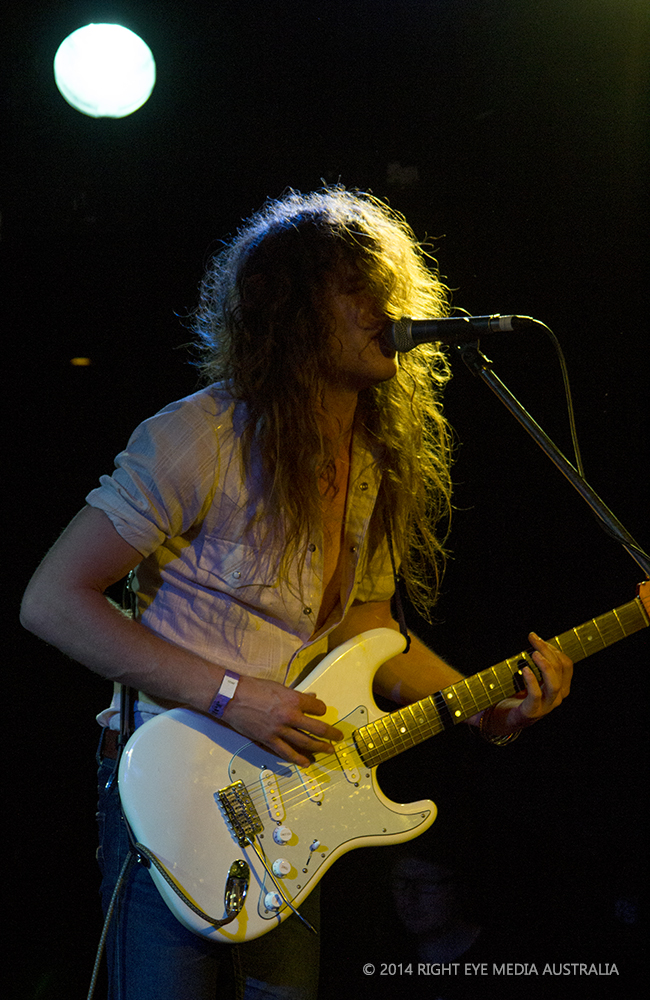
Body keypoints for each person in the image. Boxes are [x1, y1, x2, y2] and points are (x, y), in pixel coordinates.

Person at [20, 187, 573, 1000]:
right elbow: (52, 600)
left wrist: (485, 708)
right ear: (290, 309)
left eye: (389, 289)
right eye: (358, 289)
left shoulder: (375, 463)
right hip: (171, 788)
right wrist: (231, 695)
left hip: (288, 803)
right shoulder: (201, 437)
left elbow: (365, 630)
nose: (387, 309)